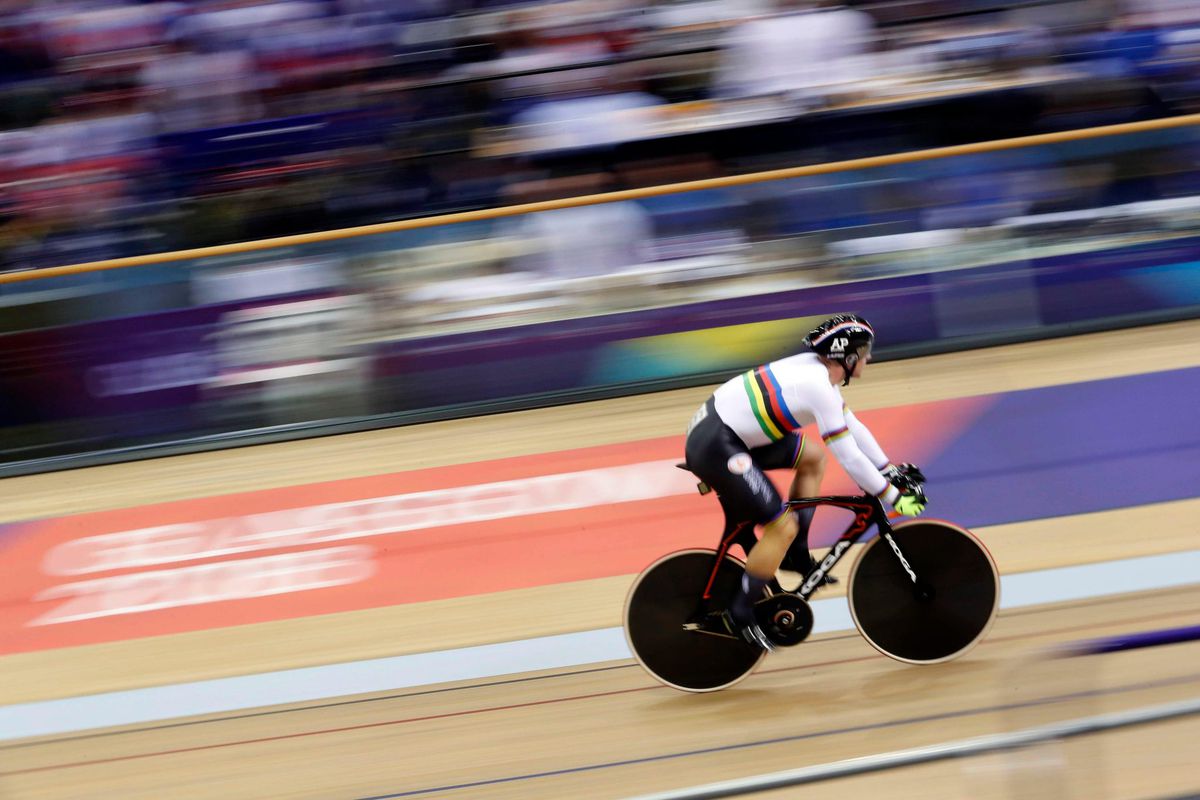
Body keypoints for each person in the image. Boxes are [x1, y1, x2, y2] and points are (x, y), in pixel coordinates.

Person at [683, 314, 926, 650]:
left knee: (813, 457)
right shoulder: (817, 386)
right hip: (716, 446)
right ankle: (738, 613)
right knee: (781, 527)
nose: (869, 357)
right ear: (847, 355)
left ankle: (796, 556)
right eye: (865, 351)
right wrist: (891, 496)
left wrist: (887, 469)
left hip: (726, 432)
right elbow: (850, 457)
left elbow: (851, 425)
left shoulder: (820, 372)